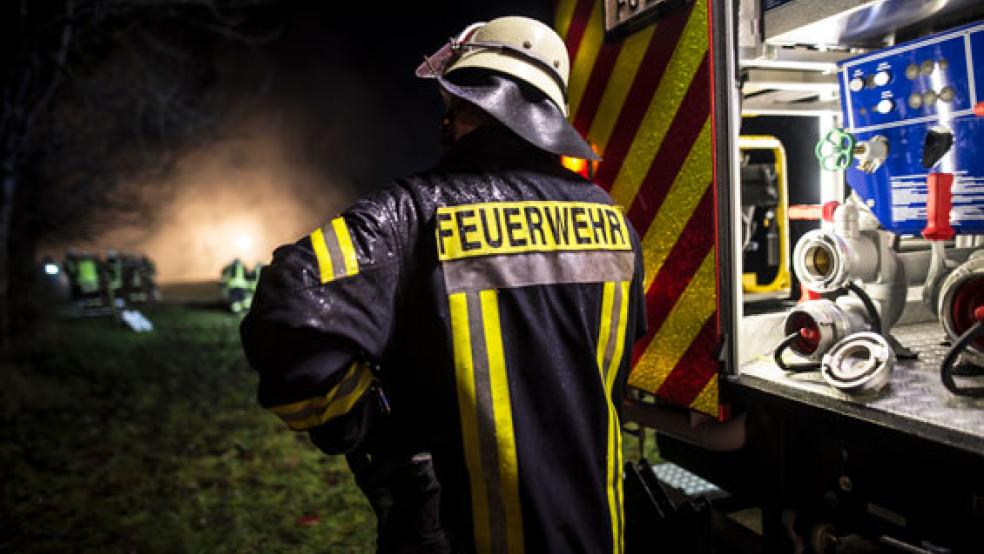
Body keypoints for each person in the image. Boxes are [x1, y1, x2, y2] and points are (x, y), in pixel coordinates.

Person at [241, 16, 645, 553]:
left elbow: (289, 305)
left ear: (467, 108)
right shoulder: (616, 225)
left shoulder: (412, 213)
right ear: (548, 118)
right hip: (598, 535)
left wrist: (377, 437)